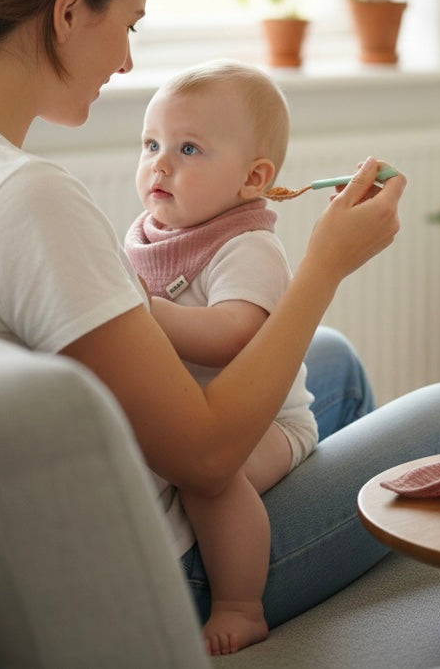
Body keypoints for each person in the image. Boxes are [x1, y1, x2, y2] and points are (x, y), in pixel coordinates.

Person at [0, 0, 440, 656]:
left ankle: (365, 623)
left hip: (76, 491)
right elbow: (204, 456)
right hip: (170, 562)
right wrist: (323, 268)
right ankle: (306, 607)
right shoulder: (26, 201)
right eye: (126, 23)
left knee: (329, 366)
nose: (126, 61)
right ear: (67, 10)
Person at [125, 60, 319, 654]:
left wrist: (142, 311)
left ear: (252, 178)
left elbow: (234, 334)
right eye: (152, 143)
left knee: (210, 481)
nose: (161, 163)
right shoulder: (149, 234)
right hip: (197, 411)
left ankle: (240, 602)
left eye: (188, 149)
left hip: (268, 424)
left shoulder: (248, 246)